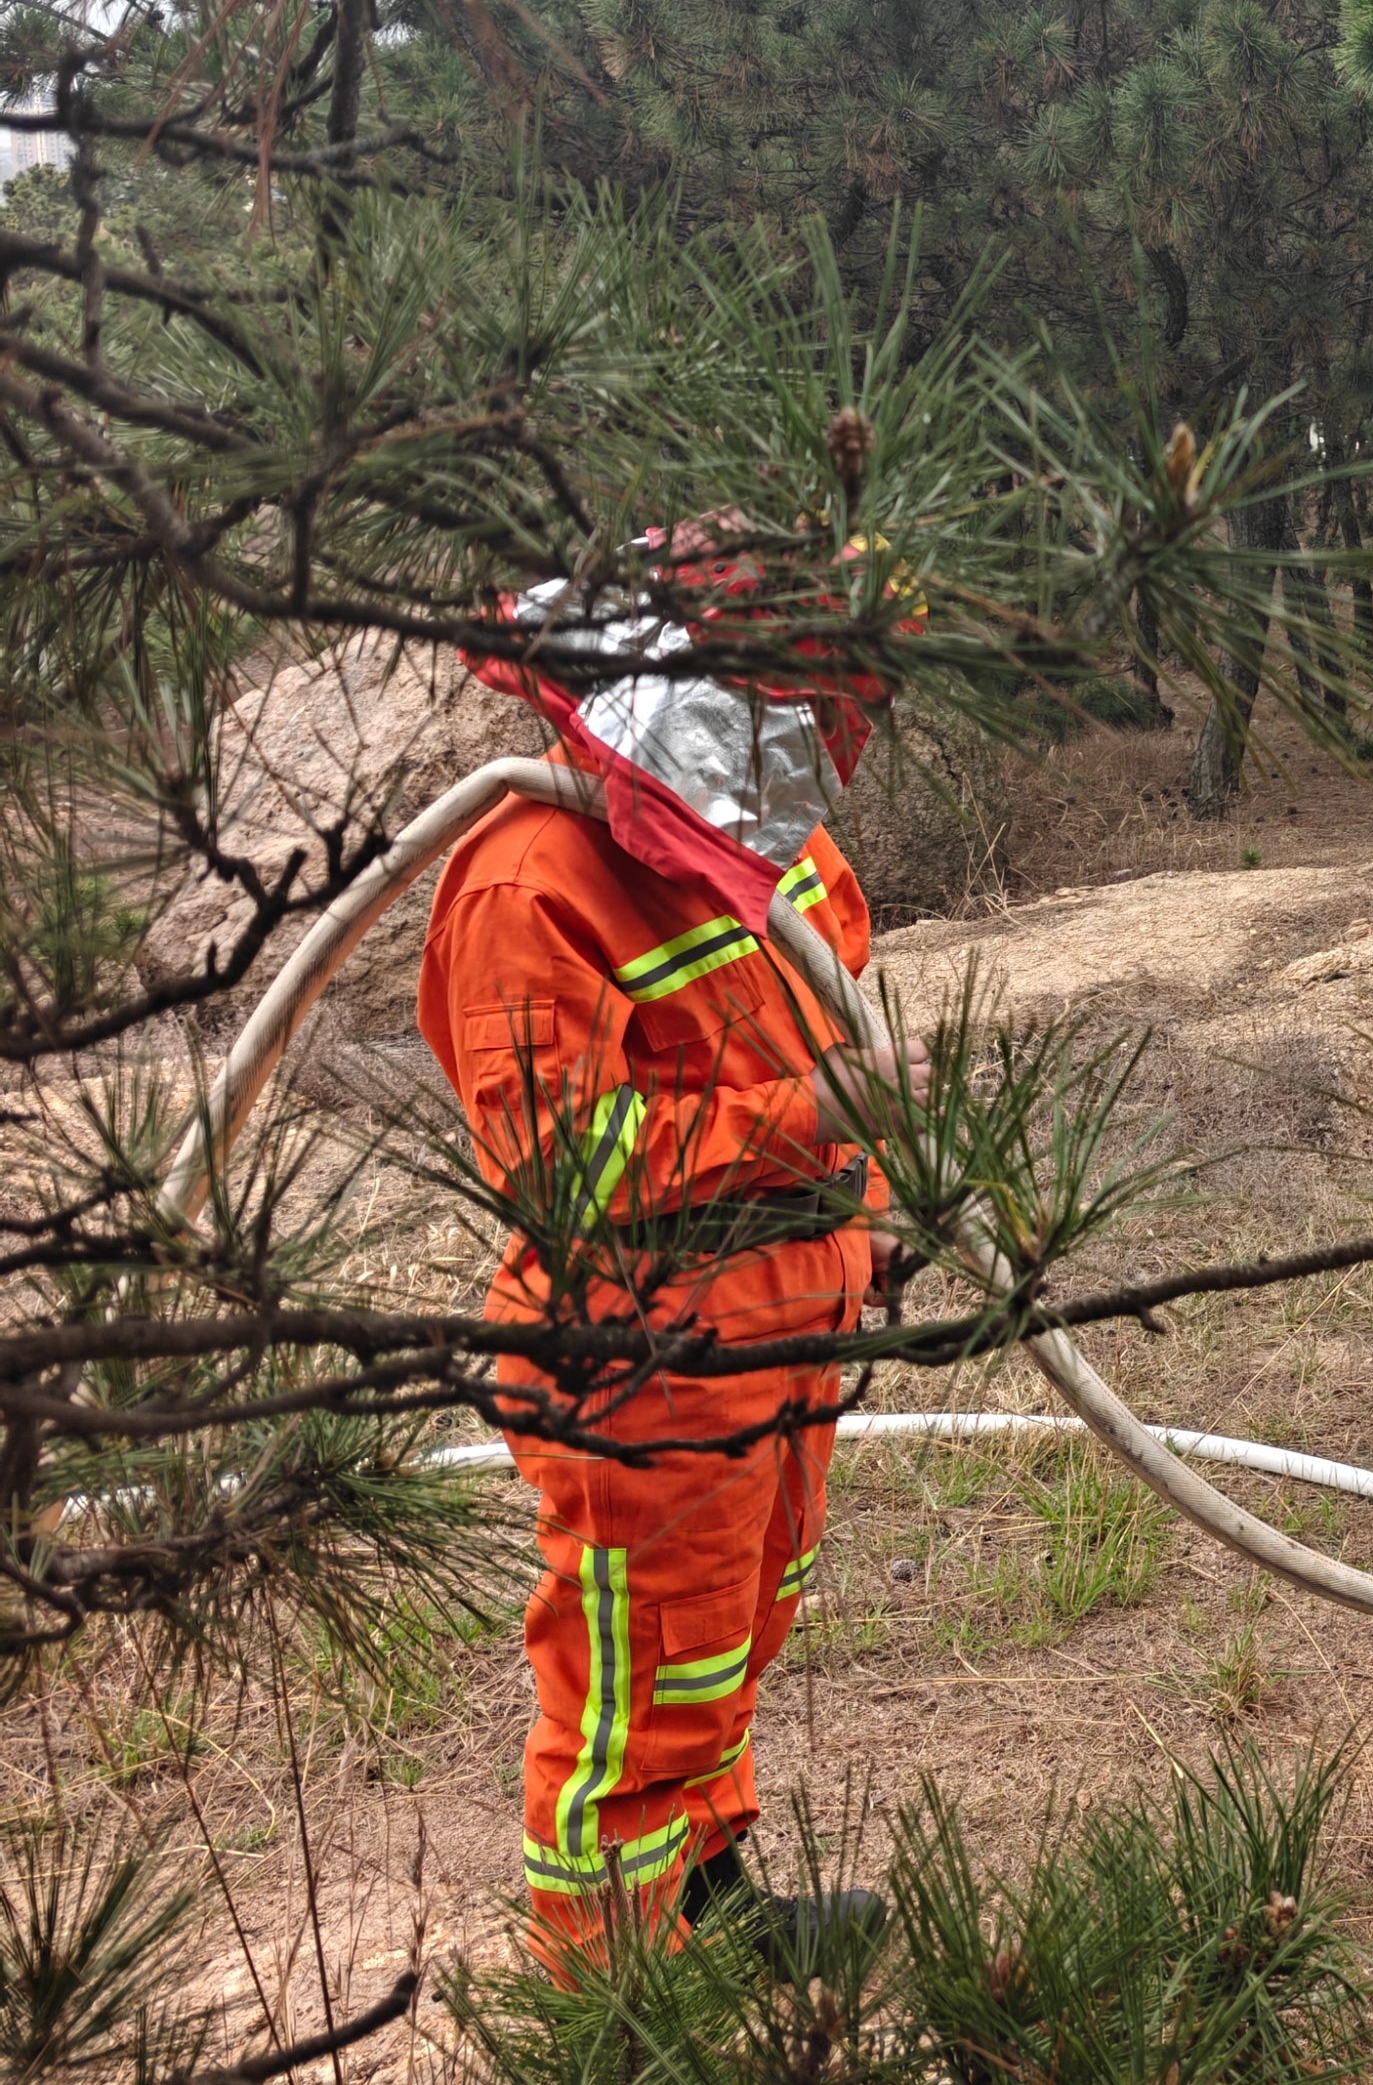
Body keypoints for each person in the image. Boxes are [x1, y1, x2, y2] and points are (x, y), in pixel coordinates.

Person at [425, 579, 895, 1966]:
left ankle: (707, 1900)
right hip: (644, 1357)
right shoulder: (529, 879)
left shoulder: (763, 829)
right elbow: (560, 1167)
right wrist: (810, 1122)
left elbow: (834, 1023)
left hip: (788, 1315)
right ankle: (611, 1996)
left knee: (728, 1639)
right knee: (638, 1680)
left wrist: (869, 1208)